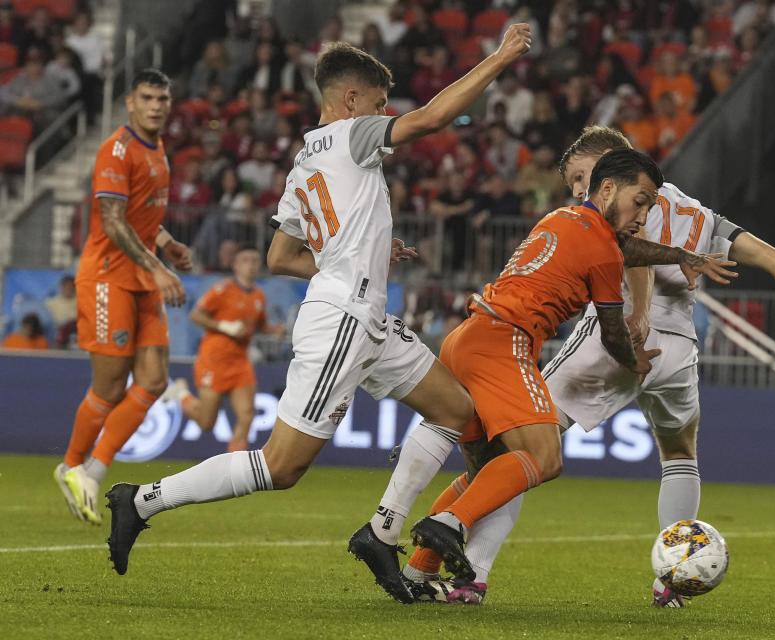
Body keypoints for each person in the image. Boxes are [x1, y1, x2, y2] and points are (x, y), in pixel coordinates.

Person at [103, 26, 534, 605]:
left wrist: (364, 254)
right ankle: (142, 499)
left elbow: (282, 257)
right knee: (281, 467)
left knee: (459, 411)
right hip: (342, 318)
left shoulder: (305, 162)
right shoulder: (354, 134)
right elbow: (432, 119)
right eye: (382, 103)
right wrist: (500, 56)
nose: (388, 114)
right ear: (352, 100)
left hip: (364, 312)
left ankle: (383, 530)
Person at [399, 126, 775, 606]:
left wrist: (638, 313)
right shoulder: (698, 212)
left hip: (619, 339)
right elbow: (773, 257)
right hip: (679, 350)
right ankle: (672, 582)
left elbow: (630, 257)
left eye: (580, 177)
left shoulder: (623, 207)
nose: (576, 191)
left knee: (517, 451)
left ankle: (468, 575)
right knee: (679, 452)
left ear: (612, 165)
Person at [369, 146, 738, 601]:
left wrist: (680, 253)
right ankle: (448, 524)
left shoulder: (563, 219)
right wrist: (634, 361)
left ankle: (420, 571)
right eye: (640, 202)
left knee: (489, 466)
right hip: (504, 343)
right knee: (544, 458)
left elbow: (627, 248)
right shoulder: (603, 250)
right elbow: (613, 328)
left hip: (468, 336)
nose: (644, 214)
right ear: (607, 189)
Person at [53, 69, 192, 526]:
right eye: (148, 97)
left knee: (152, 382)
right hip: (109, 278)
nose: (156, 105)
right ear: (130, 101)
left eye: (163, 98)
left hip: (141, 276)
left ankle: (91, 472)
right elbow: (113, 220)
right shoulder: (117, 149)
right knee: (110, 387)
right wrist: (158, 265)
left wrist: (166, 242)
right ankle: (71, 466)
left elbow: (141, 216)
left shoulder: (157, 148)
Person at [161, 245, 284, 452]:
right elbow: (195, 315)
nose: (251, 265)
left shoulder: (258, 296)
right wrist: (223, 326)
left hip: (240, 363)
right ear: (235, 265)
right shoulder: (223, 289)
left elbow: (259, 325)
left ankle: (233, 467)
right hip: (214, 360)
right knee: (206, 423)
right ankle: (182, 393)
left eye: (255, 260)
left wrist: (274, 330)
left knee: (246, 415)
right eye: (246, 260)